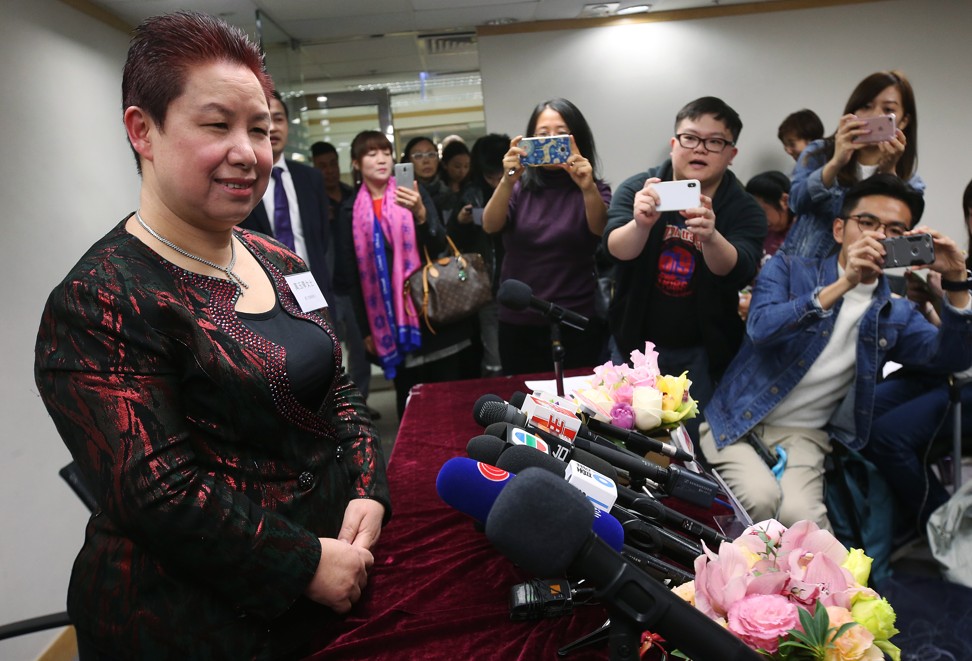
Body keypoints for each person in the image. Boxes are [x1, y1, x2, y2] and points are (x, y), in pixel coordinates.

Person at [33, 11, 390, 659]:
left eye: (259, 128)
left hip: (331, 589)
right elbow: (162, 494)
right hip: (190, 622)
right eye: (216, 124)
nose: (248, 151)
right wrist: (306, 562)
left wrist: (368, 485)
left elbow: (339, 393)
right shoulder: (100, 299)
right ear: (143, 130)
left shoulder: (280, 261)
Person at [701, 174, 972, 531]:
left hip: (806, 436)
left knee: (804, 523)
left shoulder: (897, 311)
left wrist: (955, 284)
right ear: (839, 230)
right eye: (868, 222)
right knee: (758, 498)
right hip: (737, 420)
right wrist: (845, 283)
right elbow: (762, 329)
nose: (878, 236)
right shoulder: (787, 268)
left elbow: (949, 359)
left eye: (894, 229)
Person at [604, 96, 766, 437]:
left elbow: (739, 269)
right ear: (674, 143)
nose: (701, 149)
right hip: (634, 342)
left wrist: (711, 236)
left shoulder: (743, 206)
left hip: (703, 352)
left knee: (694, 443)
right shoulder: (640, 188)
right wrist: (641, 225)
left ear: (731, 154)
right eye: (690, 138)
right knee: (626, 437)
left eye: (715, 142)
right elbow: (614, 251)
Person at [335, 130, 479, 418]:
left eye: (386, 153)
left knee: (449, 404)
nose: (381, 159)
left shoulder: (413, 191)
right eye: (372, 153)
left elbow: (439, 245)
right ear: (355, 163)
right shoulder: (350, 210)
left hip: (430, 312)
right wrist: (365, 330)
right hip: (389, 322)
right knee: (411, 405)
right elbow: (351, 277)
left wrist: (422, 215)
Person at [864, 177, 972, 537]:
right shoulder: (962, 264)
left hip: (965, 383)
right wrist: (929, 303)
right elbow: (948, 345)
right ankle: (891, 518)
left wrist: (952, 294)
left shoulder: (959, 269)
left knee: (887, 436)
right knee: (859, 413)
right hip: (945, 371)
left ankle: (945, 528)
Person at [483, 98, 611, 375]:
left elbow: (601, 230)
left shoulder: (594, 189)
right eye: (542, 134)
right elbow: (490, 225)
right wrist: (507, 180)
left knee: (580, 411)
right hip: (519, 319)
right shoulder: (518, 188)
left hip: (576, 317)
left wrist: (587, 187)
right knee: (522, 409)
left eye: (560, 132)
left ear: (577, 138)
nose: (551, 140)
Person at [783, 70, 923, 259]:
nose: (874, 115)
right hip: (800, 269)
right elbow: (796, 203)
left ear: (904, 120)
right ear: (853, 111)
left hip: (862, 278)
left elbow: (896, 238)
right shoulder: (819, 152)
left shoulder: (910, 182)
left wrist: (889, 173)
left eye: (888, 110)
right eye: (866, 106)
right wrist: (836, 162)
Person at [240, 91, 333, 302]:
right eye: (264, 120)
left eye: (279, 119)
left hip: (313, 291)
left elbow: (322, 241)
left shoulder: (311, 179)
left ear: (288, 125)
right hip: (262, 296)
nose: (272, 127)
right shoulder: (240, 179)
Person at [310, 140, 376, 417]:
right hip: (326, 289)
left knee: (361, 352)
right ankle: (337, 410)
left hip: (355, 288)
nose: (329, 171)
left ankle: (360, 405)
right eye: (322, 166)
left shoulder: (353, 198)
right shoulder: (313, 202)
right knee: (331, 351)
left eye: (332, 164)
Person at [448, 133, 509, 375]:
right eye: (490, 177)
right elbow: (452, 241)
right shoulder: (471, 193)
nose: (496, 183)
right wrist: (461, 221)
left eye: (500, 176)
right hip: (487, 287)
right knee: (495, 357)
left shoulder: (525, 187)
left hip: (524, 282)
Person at [738, 171, 795, 319]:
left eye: (762, 211)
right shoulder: (760, 231)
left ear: (784, 201)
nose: (759, 218)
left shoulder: (801, 237)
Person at [433, 139, 472, 223]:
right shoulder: (437, 191)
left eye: (466, 166)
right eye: (457, 166)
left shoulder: (471, 190)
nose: (462, 171)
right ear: (444, 165)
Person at [401, 135, 448, 199]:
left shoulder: (449, 193)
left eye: (431, 154)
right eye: (418, 156)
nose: (426, 161)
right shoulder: (402, 193)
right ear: (408, 161)